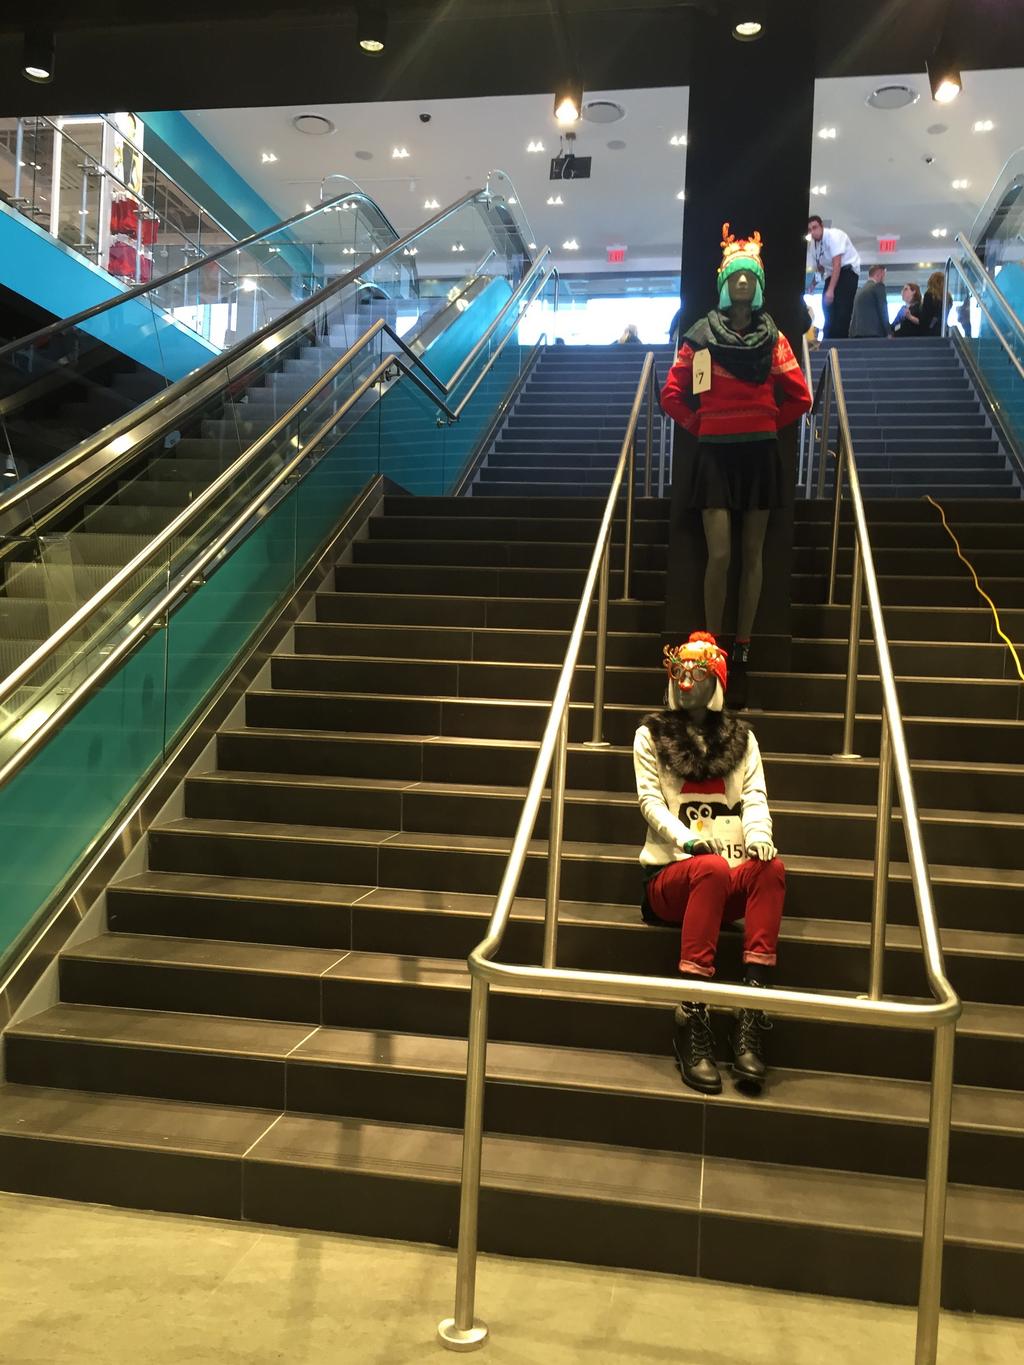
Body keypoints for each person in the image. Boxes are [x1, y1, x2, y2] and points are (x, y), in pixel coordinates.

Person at [660, 224, 812, 707]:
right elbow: (671, 393)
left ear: (759, 282)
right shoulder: (701, 336)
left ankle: (741, 648)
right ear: (725, 281)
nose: (743, 283)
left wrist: (767, 421)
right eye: (736, 275)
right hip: (715, 458)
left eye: (750, 276)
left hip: (759, 455)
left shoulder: (775, 338)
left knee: (753, 556)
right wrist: (701, 423)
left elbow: (801, 397)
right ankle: (711, 645)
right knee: (720, 555)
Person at [635, 631, 784, 1095]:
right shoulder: (650, 735)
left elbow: (755, 797)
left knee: (772, 870)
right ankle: (691, 1010)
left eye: (698, 671)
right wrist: (688, 840)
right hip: (669, 879)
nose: (685, 679)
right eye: (678, 669)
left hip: (723, 877)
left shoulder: (743, 739)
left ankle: (750, 1007)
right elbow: (650, 803)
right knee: (712, 868)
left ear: (716, 679)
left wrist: (759, 837)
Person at [808, 214, 861, 339]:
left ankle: (840, 343)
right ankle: (828, 341)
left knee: (842, 310)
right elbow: (820, 269)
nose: (813, 232)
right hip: (831, 273)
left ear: (821, 226)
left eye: (815, 228)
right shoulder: (813, 246)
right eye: (810, 230)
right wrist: (813, 285)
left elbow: (837, 264)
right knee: (827, 307)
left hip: (848, 271)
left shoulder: (834, 236)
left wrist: (831, 290)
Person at [850, 265, 890, 338]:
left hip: (856, 333)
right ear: (880, 274)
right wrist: (889, 332)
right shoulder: (878, 286)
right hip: (874, 333)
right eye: (884, 275)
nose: (884, 278)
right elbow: (883, 310)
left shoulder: (859, 291)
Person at [920, 271, 949, 336]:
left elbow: (926, 316)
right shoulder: (947, 296)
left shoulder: (929, 295)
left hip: (930, 331)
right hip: (943, 329)